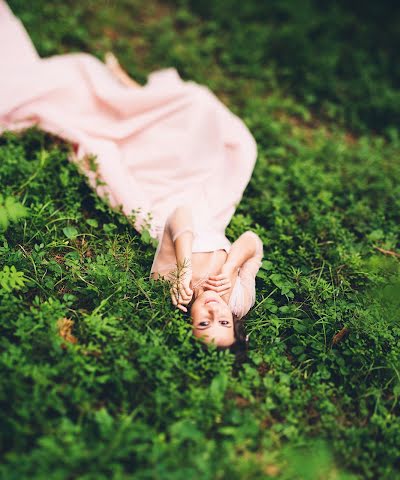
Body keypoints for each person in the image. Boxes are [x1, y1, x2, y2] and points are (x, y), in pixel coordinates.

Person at [0, 2, 263, 349]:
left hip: (152, 204)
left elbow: (179, 216)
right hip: (209, 206)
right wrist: (230, 270)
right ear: (236, 322)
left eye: (204, 321)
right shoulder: (238, 301)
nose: (215, 311)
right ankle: (136, 97)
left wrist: (185, 270)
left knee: (101, 146)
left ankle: (119, 101)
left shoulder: (168, 283)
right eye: (224, 321)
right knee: (235, 142)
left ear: (189, 319)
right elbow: (251, 242)